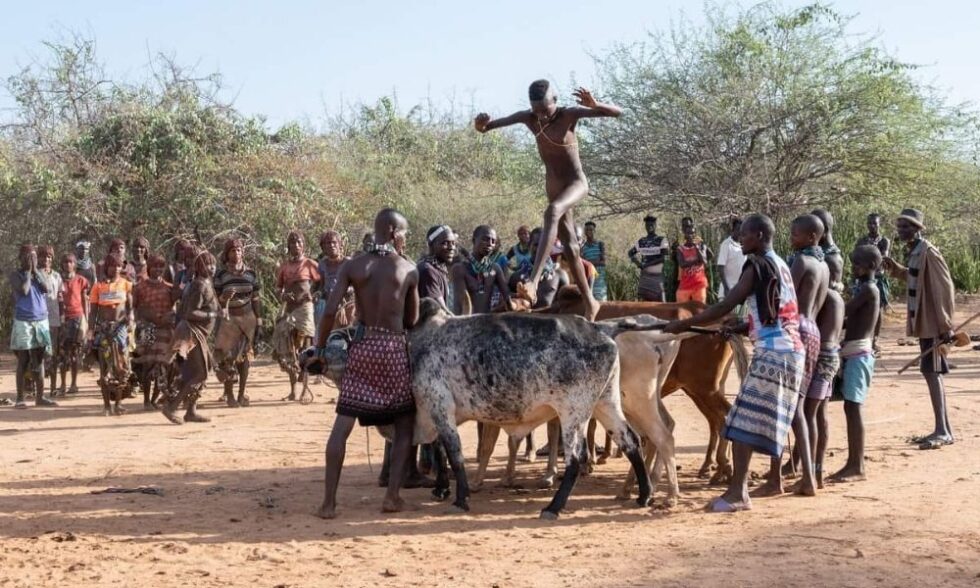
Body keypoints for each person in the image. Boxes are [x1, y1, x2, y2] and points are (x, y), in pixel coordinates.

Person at [664, 214, 804, 512]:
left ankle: (738, 493)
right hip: (788, 348)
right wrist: (743, 327)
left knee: (742, 422)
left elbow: (726, 304)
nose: (740, 238)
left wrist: (682, 325)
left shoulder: (755, 265)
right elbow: (775, 310)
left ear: (761, 235)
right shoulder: (779, 263)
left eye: (746, 234)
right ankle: (769, 482)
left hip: (774, 352)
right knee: (766, 419)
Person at [475, 81, 621, 320]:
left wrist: (595, 104)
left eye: (546, 110)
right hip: (553, 188)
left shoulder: (568, 115)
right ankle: (590, 302)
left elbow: (617, 113)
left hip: (575, 184)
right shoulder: (529, 118)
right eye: (537, 110)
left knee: (552, 212)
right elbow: (488, 127)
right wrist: (480, 125)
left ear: (555, 101)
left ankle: (532, 282)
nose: (541, 116)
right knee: (571, 248)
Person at [313, 208, 420, 518]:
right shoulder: (408, 269)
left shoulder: (353, 265)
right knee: (404, 424)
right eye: (402, 232)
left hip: (362, 347)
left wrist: (319, 348)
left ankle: (328, 503)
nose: (404, 238)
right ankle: (392, 497)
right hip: (393, 349)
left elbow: (330, 311)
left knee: (342, 424)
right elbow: (411, 320)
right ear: (390, 230)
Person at [756, 214, 825, 497]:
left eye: (795, 234)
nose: (791, 237)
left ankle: (777, 479)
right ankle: (808, 475)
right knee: (799, 409)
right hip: (814, 331)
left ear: (811, 237)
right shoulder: (822, 264)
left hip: (794, 329)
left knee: (786, 406)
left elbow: (785, 298)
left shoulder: (800, 262)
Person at [882, 209, 956, 450]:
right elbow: (914, 278)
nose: (901, 230)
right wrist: (895, 268)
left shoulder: (928, 252)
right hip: (923, 323)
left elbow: (943, 288)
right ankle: (941, 429)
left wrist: (945, 325)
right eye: (900, 226)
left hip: (934, 324)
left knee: (933, 373)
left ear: (916, 228)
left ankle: (943, 431)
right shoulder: (914, 252)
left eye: (906, 227)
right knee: (930, 373)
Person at [828, 245, 882, 483]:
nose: (853, 268)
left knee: (854, 407)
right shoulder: (865, 288)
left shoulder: (869, 289)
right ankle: (853, 462)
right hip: (854, 350)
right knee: (850, 406)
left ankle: (856, 465)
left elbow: (844, 312)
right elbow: (852, 320)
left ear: (871, 266)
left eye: (857, 263)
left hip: (859, 353)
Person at [162, 250, 219, 425]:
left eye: (213, 264)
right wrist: (211, 315)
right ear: (199, 267)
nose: (211, 267)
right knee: (200, 373)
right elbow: (190, 312)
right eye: (207, 264)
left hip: (197, 333)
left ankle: (191, 411)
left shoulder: (204, 283)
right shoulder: (200, 285)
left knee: (198, 372)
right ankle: (172, 406)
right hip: (191, 333)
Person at [272, 231, 321, 401]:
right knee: (288, 348)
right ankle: (293, 390)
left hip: (305, 309)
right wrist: (283, 295)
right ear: (288, 246)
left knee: (305, 348)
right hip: (289, 309)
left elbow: (321, 283)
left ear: (303, 244)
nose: (296, 245)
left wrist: (314, 295)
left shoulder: (310, 264)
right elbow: (278, 288)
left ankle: (305, 390)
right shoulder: (284, 266)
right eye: (292, 242)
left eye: (299, 242)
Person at [212, 239, 262, 408]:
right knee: (228, 359)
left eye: (239, 250)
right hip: (228, 320)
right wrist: (223, 297)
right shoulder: (220, 275)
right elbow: (214, 299)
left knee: (245, 359)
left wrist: (259, 320)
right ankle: (230, 395)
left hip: (248, 319)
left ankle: (241, 393)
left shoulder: (251, 274)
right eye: (233, 250)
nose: (236, 253)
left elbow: (255, 298)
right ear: (227, 254)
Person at [9, 244, 57, 409]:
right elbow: (24, 290)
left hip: (41, 320)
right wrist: (29, 272)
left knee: (39, 360)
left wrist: (36, 271)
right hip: (23, 320)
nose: (32, 260)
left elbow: (47, 288)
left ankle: (40, 396)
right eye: (28, 257)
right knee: (24, 359)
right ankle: (20, 398)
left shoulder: (41, 274)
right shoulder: (16, 275)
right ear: (20, 258)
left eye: (34, 257)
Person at [89, 253, 134, 415]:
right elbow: (93, 312)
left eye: (118, 265)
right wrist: (90, 331)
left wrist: (130, 321)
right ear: (106, 267)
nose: (115, 268)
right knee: (104, 368)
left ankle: (119, 403)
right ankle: (106, 405)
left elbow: (130, 307)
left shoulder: (126, 284)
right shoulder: (98, 286)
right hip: (104, 330)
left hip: (120, 330)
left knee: (121, 367)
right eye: (112, 265)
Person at [132, 254, 176, 409]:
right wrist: (143, 321)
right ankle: (145, 400)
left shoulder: (169, 288)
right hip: (147, 329)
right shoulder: (139, 287)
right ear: (149, 267)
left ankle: (155, 399)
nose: (158, 269)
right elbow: (134, 308)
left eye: (160, 267)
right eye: (155, 266)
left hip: (165, 331)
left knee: (162, 366)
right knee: (147, 365)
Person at [452, 226, 511, 315]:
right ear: (474, 240)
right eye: (485, 239)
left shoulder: (495, 269)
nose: (490, 244)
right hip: (464, 323)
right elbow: (463, 304)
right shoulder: (460, 269)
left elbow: (507, 297)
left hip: (485, 323)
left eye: (493, 241)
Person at [855, 213, 891, 354]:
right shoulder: (862, 240)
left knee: (879, 310)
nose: (872, 226)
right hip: (863, 278)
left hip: (878, 277)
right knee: (862, 308)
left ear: (879, 224)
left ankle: (875, 339)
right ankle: (864, 338)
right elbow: (857, 256)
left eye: (875, 223)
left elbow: (883, 258)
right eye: (870, 223)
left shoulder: (884, 241)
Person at [510, 227, 569, 309]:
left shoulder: (560, 275)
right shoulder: (516, 277)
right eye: (536, 245)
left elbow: (566, 307)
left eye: (544, 245)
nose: (539, 249)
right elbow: (508, 305)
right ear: (529, 246)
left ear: (550, 247)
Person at [58, 253, 90, 396]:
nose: (67, 264)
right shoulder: (58, 280)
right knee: (63, 354)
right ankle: (63, 384)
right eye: (65, 262)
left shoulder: (81, 280)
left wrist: (87, 320)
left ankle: (74, 384)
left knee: (75, 353)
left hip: (77, 318)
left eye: (70, 262)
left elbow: (85, 301)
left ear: (75, 264)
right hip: (63, 319)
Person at [315, 230, 353, 341]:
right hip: (328, 304)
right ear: (323, 247)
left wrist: (347, 290)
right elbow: (322, 285)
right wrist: (318, 293)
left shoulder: (348, 262)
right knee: (327, 334)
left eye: (334, 242)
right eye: (327, 243)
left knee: (347, 334)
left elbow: (356, 285)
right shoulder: (322, 264)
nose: (331, 245)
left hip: (346, 305)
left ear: (340, 244)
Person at [36, 245, 64, 398]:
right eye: (43, 256)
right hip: (37, 319)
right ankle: (35, 388)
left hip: (53, 320)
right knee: (36, 353)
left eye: (49, 257)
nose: (46, 259)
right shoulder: (35, 275)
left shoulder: (57, 276)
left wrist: (62, 315)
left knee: (53, 354)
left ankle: (53, 387)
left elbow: (60, 296)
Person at [628, 215, 670, 302]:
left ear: (655, 225)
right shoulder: (641, 241)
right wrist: (638, 264)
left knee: (661, 302)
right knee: (645, 304)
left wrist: (646, 265)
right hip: (645, 277)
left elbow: (663, 258)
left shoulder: (661, 240)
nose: (649, 227)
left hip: (657, 276)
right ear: (645, 226)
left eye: (651, 225)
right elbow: (630, 253)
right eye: (647, 225)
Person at [418, 224, 457, 309]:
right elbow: (440, 311)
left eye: (453, 243)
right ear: (431, 245)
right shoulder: (428, 271)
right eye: (445, 243)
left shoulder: (439, 268)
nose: (451, 248)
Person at [675, 219, 711, 303]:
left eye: (693, 233)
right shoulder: (680, 248)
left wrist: (698, 247)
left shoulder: (700, 245)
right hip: (685, 284)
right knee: (681, 309)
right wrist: (697, 260)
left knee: (699, 310)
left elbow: (704, 261)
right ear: (685, 234)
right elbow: (682, 264)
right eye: (689, 233)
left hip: (699, 283)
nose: (691, 235)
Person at [812, 209, 844, 292]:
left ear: (824, 230)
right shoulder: (818, 251)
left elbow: (832, 292)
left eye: (812, 229)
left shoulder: (832, 259)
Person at [716, 218, 746, 299]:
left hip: (741, 292)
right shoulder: (726, 245)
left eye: (742, 230)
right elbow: (720, 267)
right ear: (732, 230)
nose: (740, 232)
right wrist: (726, 288)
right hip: (728, 292)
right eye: (738, 229)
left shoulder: (745, 246)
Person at [581, 221, 607, 301]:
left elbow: (604, 263)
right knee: (589, 299)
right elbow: (581, 262)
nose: (589, 231)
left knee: (601, 299)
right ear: (585, 231)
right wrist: (595, 261)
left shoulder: (600, 244)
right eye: (587, 229)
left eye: (591, 230)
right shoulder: (583, 247)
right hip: (588, 277)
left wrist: (589, 262)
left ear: (594, 231)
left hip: (600, 278)